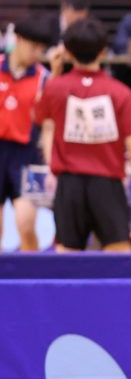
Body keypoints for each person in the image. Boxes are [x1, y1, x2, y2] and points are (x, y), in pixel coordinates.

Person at [32, 18, 131, 252]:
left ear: (67, 52)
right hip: (108, 187)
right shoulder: (120, 93)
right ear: (104, 51)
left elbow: (39, 115)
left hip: (69, 187)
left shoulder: (54, 88)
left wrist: (56, 73)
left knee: (67, 264)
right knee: (119, 261)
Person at [0, 15, 53, 251]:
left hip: (26, 156)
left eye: (40, 49)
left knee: (26, 225)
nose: (36, 54)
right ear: (18, 40)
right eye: (33, 47)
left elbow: (48, 123)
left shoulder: (43, 78)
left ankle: (31, 278)